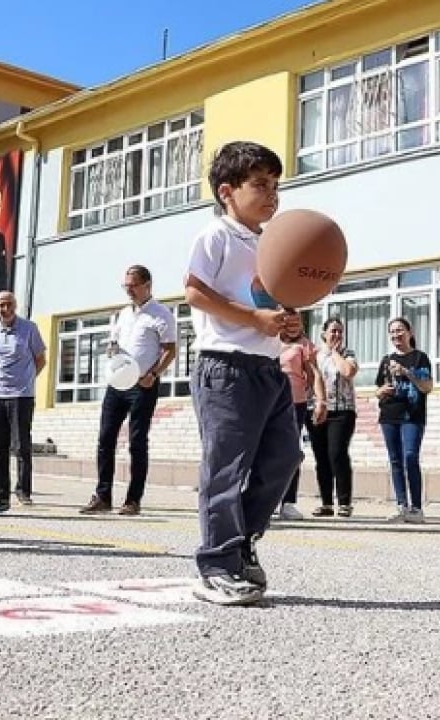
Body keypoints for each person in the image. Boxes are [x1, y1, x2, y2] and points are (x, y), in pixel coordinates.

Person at [184, 141, 301, 606]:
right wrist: (253, 321)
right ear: (228, 192)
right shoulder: (217, 235)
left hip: (268, 369)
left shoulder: (269, 243)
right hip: (225, 367)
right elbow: (194, 292)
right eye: (261, 184)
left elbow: (269, 305)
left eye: (276, 185)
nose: (272, 194)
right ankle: (216, 565)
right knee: (226, 469)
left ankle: (241, 542)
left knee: (285, 458)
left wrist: (286, 322)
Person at [82, 265, 177, 516]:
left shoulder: (161, 314)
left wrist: (154, 374)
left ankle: (133, 499)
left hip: (143, 385)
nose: (129, 291)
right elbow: (115, 343)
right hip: (117, 384)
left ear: (147, 285)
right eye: (126, 286)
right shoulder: (123, 314)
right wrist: (112, 350)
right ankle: (103, 496)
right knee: (105, 439)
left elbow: (170, 350)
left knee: (137, 442)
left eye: (133, 286)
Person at [0, 290, 46, 510]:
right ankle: (1, 493)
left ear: (15, 305)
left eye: (9, 304)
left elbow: (40, 359)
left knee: (21, 445)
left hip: (21, 395)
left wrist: (27, 380)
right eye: (1, 305)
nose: (6, 309)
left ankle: (23, 491)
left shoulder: (29, 328)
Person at [376, 317, 433, 524]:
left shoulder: (420, 358)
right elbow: (379, 389)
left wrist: (407, 372)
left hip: (413, 416)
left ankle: (416, 508)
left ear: (410, 333)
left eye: (400, 330)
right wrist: (381, 391)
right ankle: (401, 505)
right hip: (389, 415)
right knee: (395, 460)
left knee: (410, 457)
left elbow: (427, 387)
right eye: (392, 331)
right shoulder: (386, 360)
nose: (396, 335)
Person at [307, 318, 358, 518]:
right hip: (319, 409)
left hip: (342, 411)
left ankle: (344, 502)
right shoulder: (315, 356)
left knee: (337, 453)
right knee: (321, 457)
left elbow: (348, 371)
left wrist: (335, 352)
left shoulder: (348, 354)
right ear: (323, 334)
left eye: (339, 332)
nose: (336, 335)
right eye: (333, 331)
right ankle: (326, 503)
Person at [277, 322, 323, 522]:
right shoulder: (269, 342)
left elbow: (314, 375)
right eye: (288, 319)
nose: (293, 324)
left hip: (296, 404)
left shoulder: (304, 345)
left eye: (297, 319)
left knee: (290, 453)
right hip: (269, 403)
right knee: (266, 452)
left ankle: (288, 503)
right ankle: (262, 500)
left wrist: (321, 400)